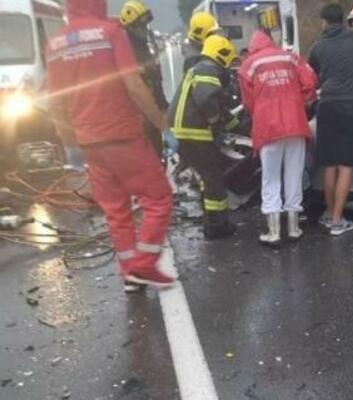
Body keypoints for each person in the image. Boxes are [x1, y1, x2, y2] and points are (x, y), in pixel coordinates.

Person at [46, 0, 177, 290]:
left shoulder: (55, 43)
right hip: (122, 133)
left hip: (89, 141)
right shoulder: (110, 32)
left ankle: (129, 272)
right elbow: (133, 85)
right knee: (158, 198)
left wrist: (70, 143)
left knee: (116, 208)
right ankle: (143, 266)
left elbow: (57, 101)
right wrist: (163, 125)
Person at [238, 31, 317, 246]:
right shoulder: (289, 57)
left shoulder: (248, 64)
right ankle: (294, 228)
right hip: (295, 125)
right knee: (294, 176)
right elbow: (310, 82)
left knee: (270, 178)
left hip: (268, 129)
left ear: (253, 47)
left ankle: (274, 232)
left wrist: (261, 111)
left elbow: (248, 101)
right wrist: (299, 102)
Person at [168, 35, 240, 239]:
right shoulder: (209, 68)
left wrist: (234, 124)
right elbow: (207, 98)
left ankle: (210, 216)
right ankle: (217, 226)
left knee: (205, 175)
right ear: (223, 55)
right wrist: (215, 120)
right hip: (194, 132)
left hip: (182, 132)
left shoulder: (199, 68)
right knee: (213, 176)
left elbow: (216, 104)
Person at [309, 3, 353, 236]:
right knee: (347, 164)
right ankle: (337, 219)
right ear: (342, 20)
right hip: (352, 106)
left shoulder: (318, 46)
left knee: (329, 164)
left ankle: (329, 212)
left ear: (324, 22)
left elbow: (311, 71)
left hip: (328, 105)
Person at [119, 0, 169, 157]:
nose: (145, 29)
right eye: (140, 25)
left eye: (145, 24)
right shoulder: (126, 51)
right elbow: (135, 87)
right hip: (139, 120)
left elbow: (156, 80)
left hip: (152, 114)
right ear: (131, 27)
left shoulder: (146, 46)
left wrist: (163, 107)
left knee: (158, 157)